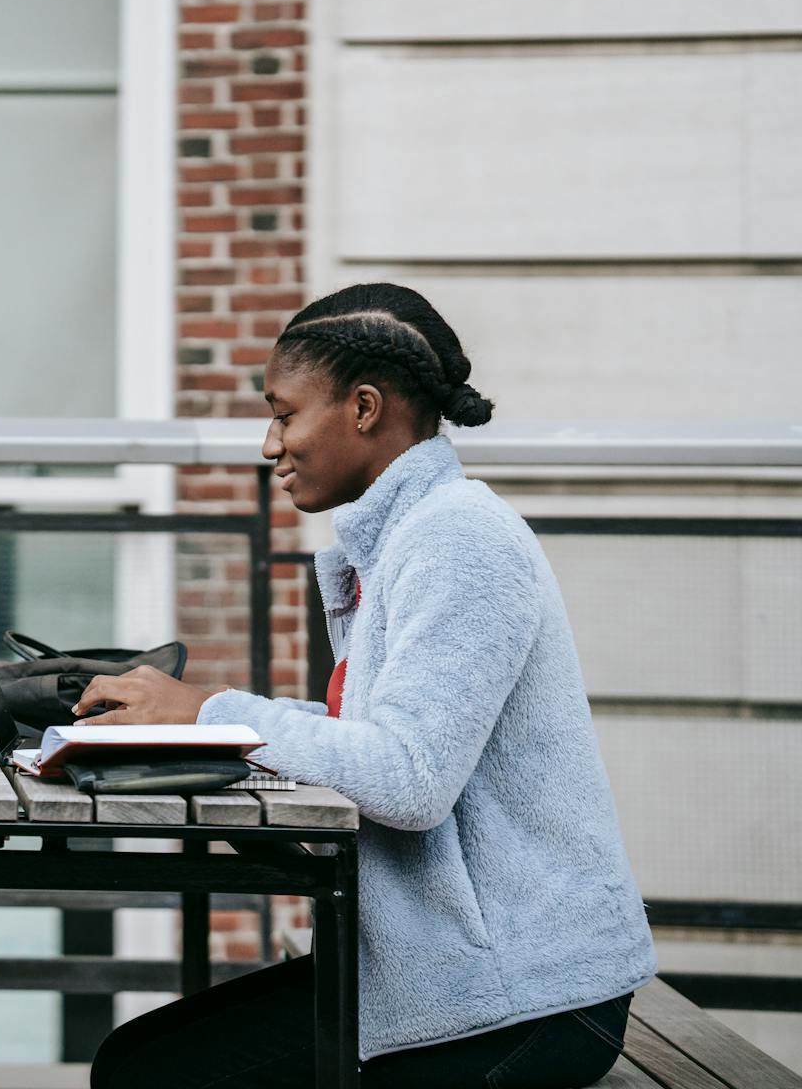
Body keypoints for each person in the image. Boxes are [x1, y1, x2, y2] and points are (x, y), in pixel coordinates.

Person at [80, 284, 656, 1089]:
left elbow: (411, 778)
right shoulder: (412, 536)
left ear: (362, 408)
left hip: (528, 999)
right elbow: (380, 736)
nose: (269, 444)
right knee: (135, 1061)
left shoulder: (460, 539)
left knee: (155, 1077)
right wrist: (199, 725)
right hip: (451, 974)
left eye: (283, 413)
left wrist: (212, 714)